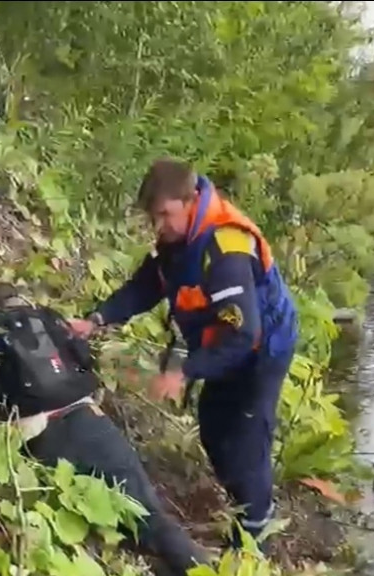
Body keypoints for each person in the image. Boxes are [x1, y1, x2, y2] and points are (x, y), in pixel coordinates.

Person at [70, 159, 297, 546]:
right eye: (152, 217)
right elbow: (146, 286)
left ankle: (257, 533)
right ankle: (242, 505)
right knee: (212, 424)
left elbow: (243, 334)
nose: (158, 226)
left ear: (191, 201)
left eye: (164, 215)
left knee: (245, 437)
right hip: (223, 347)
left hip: (261, 350)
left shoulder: (225, 249)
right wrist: (97, 319)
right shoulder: (177, 240)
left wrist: (185, 370)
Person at [0, 281, 209, 576]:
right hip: (87, 422)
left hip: (40, 443)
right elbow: (85, 359)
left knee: (112, 532)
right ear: (22, 298)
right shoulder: (48, 317)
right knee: (148, 519)